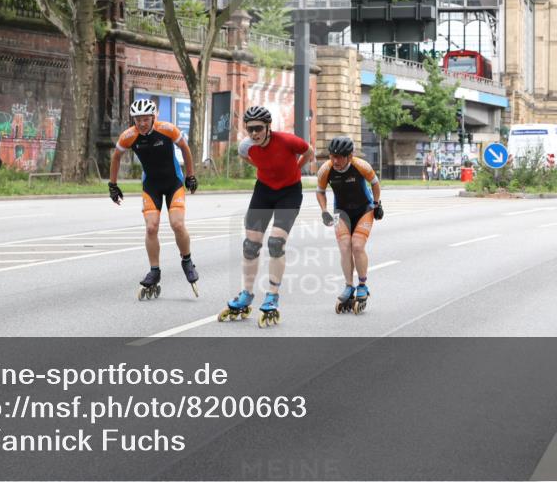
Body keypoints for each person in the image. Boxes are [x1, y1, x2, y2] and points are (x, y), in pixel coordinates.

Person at [219, 105, 316, 328]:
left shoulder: (288, 141)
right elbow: (249, 159)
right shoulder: (246, 147)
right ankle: (247, 294)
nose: (254, 133)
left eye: (258, 128)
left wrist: (296, 169)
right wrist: (263, 169)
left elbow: (309, 152)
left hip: (289, 193)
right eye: (250, 129)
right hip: (263, 191)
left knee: (275, 243)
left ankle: (272, 295)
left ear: (268, 127)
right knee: (250, 245)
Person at [109, 99, 200, 299]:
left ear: (153, 117)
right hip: (151, 186)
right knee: (151, 227)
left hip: (173, 182)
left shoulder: (167, 129)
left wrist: (190, 175)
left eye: (145, 119)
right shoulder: (129, 136)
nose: (141, 123)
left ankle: (187, 261)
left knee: (177, 224)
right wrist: (113, 185)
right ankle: (154, 270)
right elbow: (116, 157)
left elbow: (185, 148)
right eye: (137, 120)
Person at [316, 136, 383, 314]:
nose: (335, 161)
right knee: (345, 247)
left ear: (350, 156)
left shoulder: (361, 166)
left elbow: (375, 184)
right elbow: (320, 192)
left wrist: (377, 204)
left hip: (364, 209)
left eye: (339, 157)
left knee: (357, 246)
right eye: (332, 156)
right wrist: (324, 210)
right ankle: (348, 286)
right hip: (341, 212)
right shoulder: (326, 169)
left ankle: (362, 285)